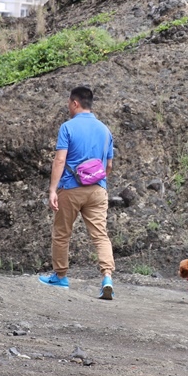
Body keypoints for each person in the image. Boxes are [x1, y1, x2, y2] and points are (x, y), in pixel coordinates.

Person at [39, 86, 116, 300]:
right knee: (100, 234)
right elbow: (108, 165)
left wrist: (53, 189)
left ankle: (60, 276)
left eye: (68, 103)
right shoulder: (105, 130)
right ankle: (107, 278)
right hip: (98, 190)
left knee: (62, 233)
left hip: (71, 189)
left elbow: (60, 160)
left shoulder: (67, 127)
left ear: (75, 103)